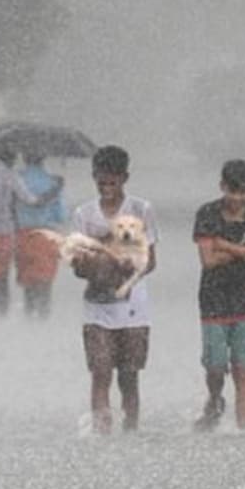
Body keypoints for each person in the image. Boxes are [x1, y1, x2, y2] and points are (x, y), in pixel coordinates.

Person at [69, 145, 159, 434]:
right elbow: (77, 266)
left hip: (134, 310)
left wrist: (126, 266)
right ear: (94, 178)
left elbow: (150, 261)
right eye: (101, 182)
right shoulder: (84, 214)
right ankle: (101, 433)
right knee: (100, 372)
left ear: (124, 178)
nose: (107, 188)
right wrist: (94, 263)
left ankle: (130, 431)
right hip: (96, 308)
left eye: (112, 182)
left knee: (129, 377)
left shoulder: (141, 210)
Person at [192, 159, 245, 432]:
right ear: (222, 186)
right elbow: (208, 261)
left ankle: (243, 429)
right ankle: (215, 400)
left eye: (244, 192)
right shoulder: (207, 213)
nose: (237, 198)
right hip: (213, 300)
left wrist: (225, 245)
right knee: (215, 367)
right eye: (233, 191)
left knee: (243, 368)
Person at [0, 144, 61, 320]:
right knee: (2, 276)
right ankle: (3, 314)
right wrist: (55, 190)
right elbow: (33, 201)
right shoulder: (11, 177)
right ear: (11, 159)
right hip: (3, 231)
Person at [14, 151, 67, 319]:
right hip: (47, 235)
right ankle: (44, 318)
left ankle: (29, 317)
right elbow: (61, 216)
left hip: (23, 235)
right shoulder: (53, 182)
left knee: (28, 279)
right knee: (45, 279)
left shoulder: (16, 179)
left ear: (24, 158)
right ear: (43, 158)